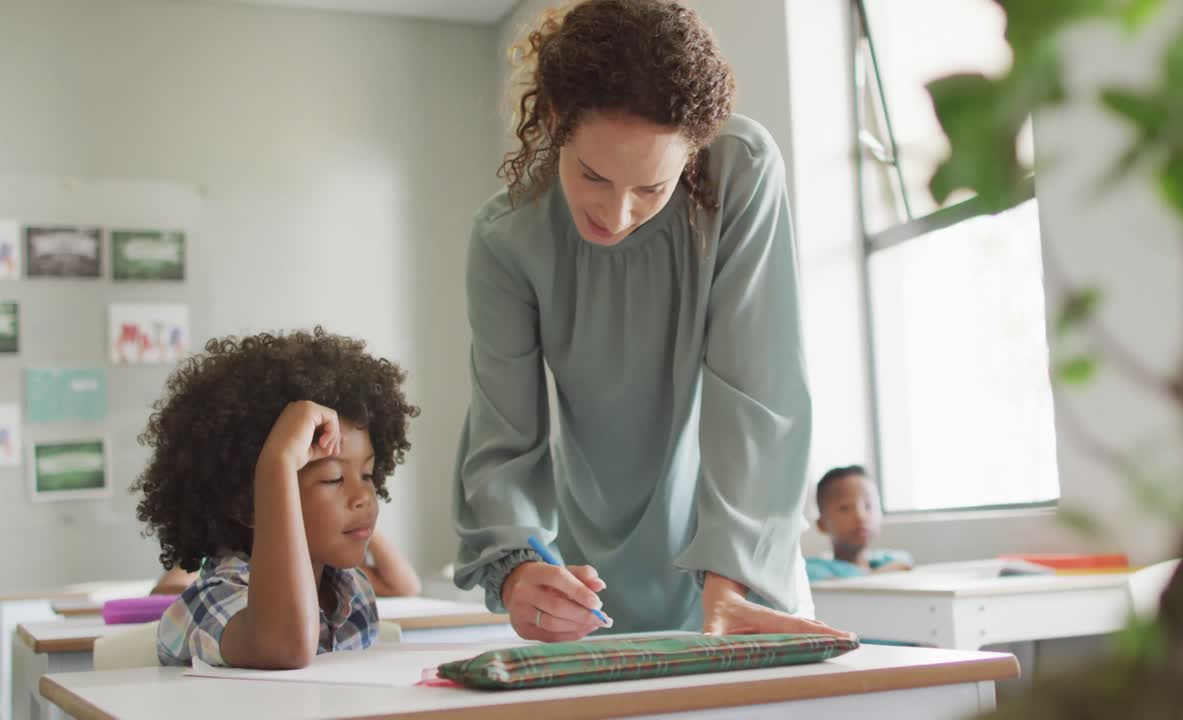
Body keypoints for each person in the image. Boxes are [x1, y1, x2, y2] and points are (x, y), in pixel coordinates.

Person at [453, 0, 849, 642]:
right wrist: (521, 569)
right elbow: (503, 441)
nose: (615, 212)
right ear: (556, 119)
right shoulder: (505, 239)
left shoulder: (738, 170)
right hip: (584, 586)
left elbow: (759, 393)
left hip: (740, 572)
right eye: (593, 175)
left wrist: (730, 583)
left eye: (651, 189)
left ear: (691, 156)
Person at [131, 328, 420, 668]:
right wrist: (279, 459)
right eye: (333, 478)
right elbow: (283, 647)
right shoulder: (211, 600)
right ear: (247, 504)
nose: (363, 496)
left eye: (368, 475)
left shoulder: (351, 592)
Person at [148, 528, 423, 598]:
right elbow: (168, 590)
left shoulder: (336, 572)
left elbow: (406, 586)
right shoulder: (232, 562)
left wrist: (365, 530)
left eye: (365, 477)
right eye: (334, 480)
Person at [805, 465, 913, 581]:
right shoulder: (814, 569)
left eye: (868, 506)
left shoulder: (886, 559)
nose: (861, 516)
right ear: (821, 524)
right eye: (844, 508)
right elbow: (837, 589)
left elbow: (905, 562)